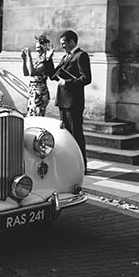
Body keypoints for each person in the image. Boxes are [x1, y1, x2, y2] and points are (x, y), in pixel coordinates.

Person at [50, 30, 92, 173]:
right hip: (63, 101)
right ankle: (69, 164)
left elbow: (86, 78)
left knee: (76, 134)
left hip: (73, 102)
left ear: (72, 42)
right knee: (66, 135)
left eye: (64, 44)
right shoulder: (66, 56)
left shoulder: (81, 56)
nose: (62, 47)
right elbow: (53, 75)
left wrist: (67, 83)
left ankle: (81, 165)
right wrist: (48, 59)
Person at [21, 34, 54, 117]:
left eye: (38, 47)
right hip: (33, 91)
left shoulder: (45, 62)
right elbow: (26, 73)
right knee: (31, 114)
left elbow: (33, 72)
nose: (36, 49)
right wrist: (24, 60)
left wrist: (29, 56)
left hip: (39, 93)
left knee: (36, 116)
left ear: (43, 47)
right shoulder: (38, 60)